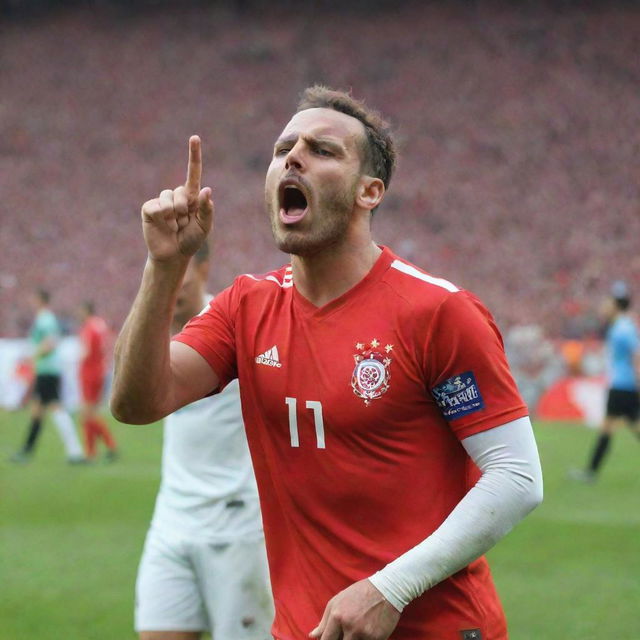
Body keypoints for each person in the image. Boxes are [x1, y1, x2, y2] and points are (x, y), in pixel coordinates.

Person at [111, 86, 543, 640]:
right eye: (283, 147)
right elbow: (136, 403)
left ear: (370, 192)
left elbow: (517, 477)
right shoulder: (246, 306)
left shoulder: (437, 312)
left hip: (433, 626)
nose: (293, 157)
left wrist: (390, 587)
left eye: (323, 150)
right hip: (304, 629)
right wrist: (164, 266)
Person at [134, 243, 274, 640]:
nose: (174, 287)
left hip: (234, 525)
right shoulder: (151, 336)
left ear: (204, 268)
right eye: (166, 276)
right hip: (171, 518)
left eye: (183, 274)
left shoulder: (234, 332)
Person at [571, 282, 640, 482]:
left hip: (622, 386)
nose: (604, 305)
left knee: (608, 427)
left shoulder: (623, 328)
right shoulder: (620, 326)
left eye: (607, 301)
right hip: (623, 385)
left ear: (616, 304)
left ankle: (590, 473)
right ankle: (590, 472)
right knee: (625, 426)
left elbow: (636, 354)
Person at [11, 288, 85, 464]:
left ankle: (75, 451)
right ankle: (27, 450)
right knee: (37, 411)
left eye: (33, 299)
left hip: (48, 371)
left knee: (55, 409)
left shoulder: (46, 319)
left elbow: (51, 342)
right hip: (44, 371)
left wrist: (33, 355)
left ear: (39, 300)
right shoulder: (43, 318)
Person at [77, 300, 118, 461]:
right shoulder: (100, 325)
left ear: (86, 311)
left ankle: (105, 447)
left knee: (87, 414)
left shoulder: (88, 327)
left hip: (89, 372)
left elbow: (86, 351)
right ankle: (92, 452)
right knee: (90, 413)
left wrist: (76, 360)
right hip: (100, 370)